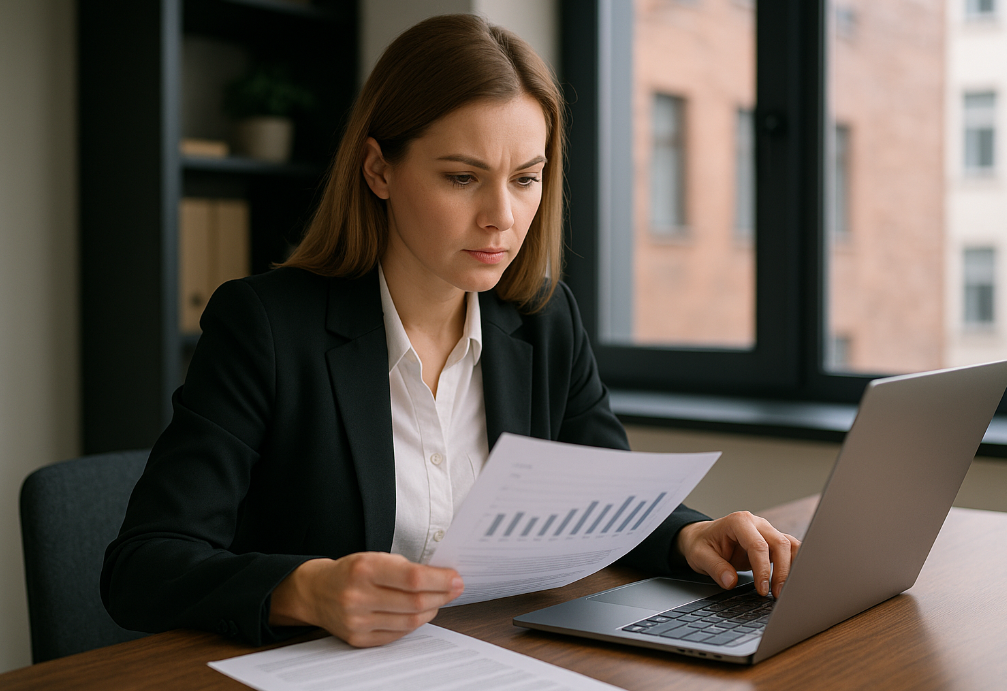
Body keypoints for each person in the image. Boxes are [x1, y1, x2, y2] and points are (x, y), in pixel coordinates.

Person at [101, 14, 799, 649]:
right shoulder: (265, 326)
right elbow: (144, 564)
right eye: (463, 177)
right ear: (378, 169)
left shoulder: (544, 320)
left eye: (524, 178)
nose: (501, 215)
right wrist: (306, 588)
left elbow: (606, 500)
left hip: (495, 658)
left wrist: (690, 533)